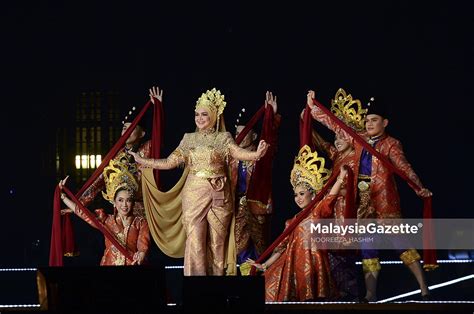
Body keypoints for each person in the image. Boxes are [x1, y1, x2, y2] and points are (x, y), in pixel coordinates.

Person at [307, 89, 432, 301]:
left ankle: (423, 287)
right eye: (367, 121)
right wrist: (314, 109)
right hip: (362, 204)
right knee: (368, 249)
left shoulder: (391, 144)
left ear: (385, 122)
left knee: (401, 245)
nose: (369, 124)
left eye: (374, 120)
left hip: (384, 202)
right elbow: (336, 125)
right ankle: (370, 293)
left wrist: (419, 188)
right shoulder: (358, 138)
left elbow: (404, 168)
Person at [129, 87, 269, 276]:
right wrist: (143, 160)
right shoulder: (189, 139)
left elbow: (238, 153)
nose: (200, 118)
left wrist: (256, 154)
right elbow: (170, 162)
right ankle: (196, 288)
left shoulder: (224, 138)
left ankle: (217, 289)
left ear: (214, 115)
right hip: (194, 194)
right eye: (197, 114)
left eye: (204, 114)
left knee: (217, 244)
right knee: (195, 242)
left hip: (220, 195)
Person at [247, 145, 347, 301]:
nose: (298, 198)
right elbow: (280, 248)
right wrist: (265, 265)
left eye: (302, 194)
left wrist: (340, 179)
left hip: (314, 260)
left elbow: (330, 198)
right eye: (295, 195)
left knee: (314, 298)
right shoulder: (291, 222)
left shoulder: (317, 212)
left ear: (313, 194)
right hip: (294, 262)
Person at [59, 157, 151, 266]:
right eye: (120, 200)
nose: (124, 205)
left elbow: (143, 244)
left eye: (128, 200)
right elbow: (82, 212)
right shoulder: (106, 220)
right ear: (115, 203)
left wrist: (141, 254)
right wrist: (63, 196)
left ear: (133, 203)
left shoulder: (141, 223)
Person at [78, 102, 152, 218]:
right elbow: (97, 182)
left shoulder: (148, 148)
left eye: (131, 128)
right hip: (120, 212)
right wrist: (77, 204)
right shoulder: (115, 155)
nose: (126, 131)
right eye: (124, 128)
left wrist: (157, 105)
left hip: (145, 212)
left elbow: (160, 135)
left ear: (142, 133)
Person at [232, 91, 280, 267]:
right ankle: (244, 283)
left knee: (261, 247)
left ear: (253, 136)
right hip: (237, 207)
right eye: (237, 133)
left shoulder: (261, 153)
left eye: (244, 133)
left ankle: (260, 283)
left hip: (258, 206)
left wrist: (271, 117)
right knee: (239, 247)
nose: (240, 137)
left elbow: (271, 140)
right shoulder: (232, 156)